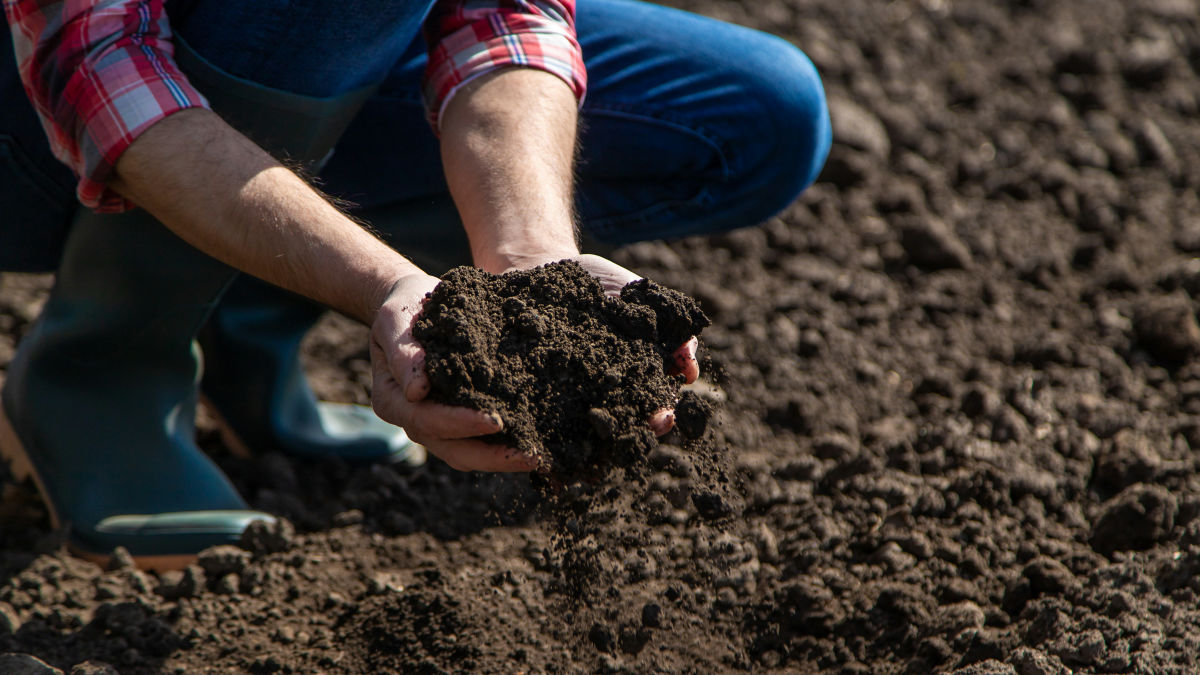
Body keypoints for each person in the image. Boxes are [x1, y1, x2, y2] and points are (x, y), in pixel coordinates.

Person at [0, 0, 831, 569]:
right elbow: (98, 62)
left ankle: (240, 308)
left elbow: (504, 17)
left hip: (290, 56)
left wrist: (533, 257)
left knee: (754, 115)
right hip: (43, 109)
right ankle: (103, 371)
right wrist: (386, 282)